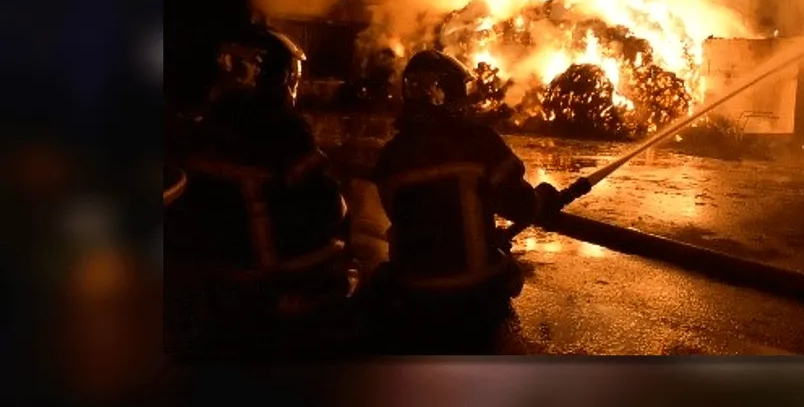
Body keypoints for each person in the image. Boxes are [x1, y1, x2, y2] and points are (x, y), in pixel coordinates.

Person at [164, 22, 351, 355]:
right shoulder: (286, 131)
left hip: (222, 276)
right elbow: (329, 207)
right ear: (276, 74)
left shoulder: (203, 128)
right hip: (283, 280)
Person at [363, 50, 563, 348]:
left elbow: (417, 217)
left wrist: (481, 233)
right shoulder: (478, 142)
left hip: (413, 294)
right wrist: (541, 199)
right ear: (451, 95)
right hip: (473, 298)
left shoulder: (393, 154)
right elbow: (520, 204)